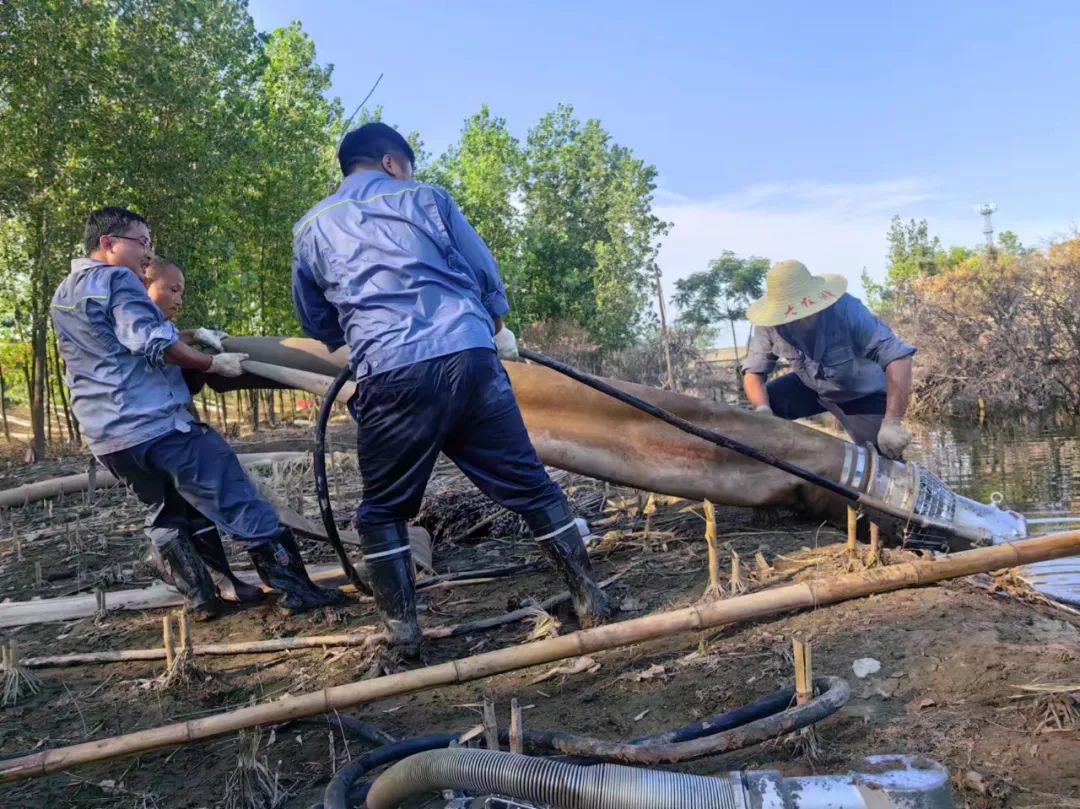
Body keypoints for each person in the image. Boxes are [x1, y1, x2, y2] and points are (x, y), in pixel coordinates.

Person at [292, 122, 612, 652]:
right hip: (469, 357)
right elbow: (481, 266)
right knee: (531, 485)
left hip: (390, 370)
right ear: (393, 163)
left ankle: (403, 637)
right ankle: (591, 599)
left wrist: (355, 331)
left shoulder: (310, 228)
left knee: (382, 512)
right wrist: (496, 324)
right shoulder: (428, 198)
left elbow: (314, 316)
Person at [52, 207, 343, 620]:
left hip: (109, 438)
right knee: (239, 501)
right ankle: (296, 591)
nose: (148, 256)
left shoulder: (65, 292)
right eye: (142, 243)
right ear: (108, 243)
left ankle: (202, 599)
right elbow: (150, 343)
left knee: (165, 513)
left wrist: (189, 335)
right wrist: (210, 364)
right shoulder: (116, 278)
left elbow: (114, 346)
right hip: (157, 425)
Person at [140, 256, 264, 606]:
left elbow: (173, 353)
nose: (179, 298)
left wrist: (194, 336)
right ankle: (196, 588)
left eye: (182, 291)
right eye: (172, 289)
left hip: (167, 430)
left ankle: (212, 590)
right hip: (154, 435)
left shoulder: (162, 330)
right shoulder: (134, 325)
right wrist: (206, 358)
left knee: (188, 509)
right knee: (173, 511)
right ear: (143, 286)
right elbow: (160, 350)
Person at [741, 260, 915, 458]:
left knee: (885, 455)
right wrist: (762, 410)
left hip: (861, 393)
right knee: (754, 419)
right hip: (811, 387)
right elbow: (753, 372)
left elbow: (899, 357)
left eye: (800, 314)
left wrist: (893, 421)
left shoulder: (847, 309)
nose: (793, 321)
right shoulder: (770, 323)